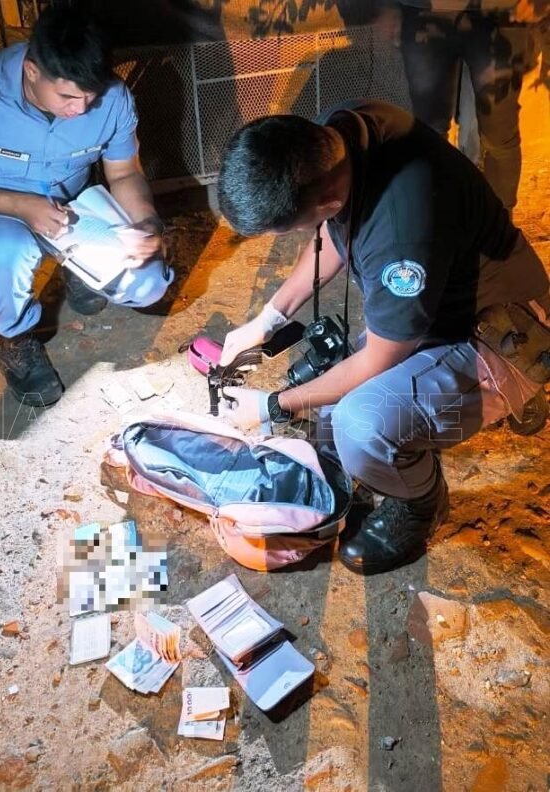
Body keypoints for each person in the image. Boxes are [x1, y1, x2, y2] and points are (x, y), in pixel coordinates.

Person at [214, 99, 550, 575]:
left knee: (359, 423)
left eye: (286, 229)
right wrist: (268, 318)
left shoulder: (398, 234)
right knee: (330, 399)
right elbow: (334, 233)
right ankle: (408, 443)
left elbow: (378, 358)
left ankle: (421, 504)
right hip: (442, 304)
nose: (293, 236)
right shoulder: (342, 134)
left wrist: (274, 405)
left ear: (324, 201)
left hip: (503, 331)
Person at [0, 5, 172, 407]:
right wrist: (21, 206)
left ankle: (76, 265)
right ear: (32, 71)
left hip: (75, 208)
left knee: (149, 282)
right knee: (2, 253)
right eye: (67, 96)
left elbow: (124, 173)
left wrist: (147, 223)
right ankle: (13, 338)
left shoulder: (113, 97)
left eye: (90, 95)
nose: (80, 109)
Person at [381, 1, 538, 212]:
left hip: (501, 11)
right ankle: (435, 220)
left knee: (499, 136)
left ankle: (499, 224)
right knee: (429, 133)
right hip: (424, 10)